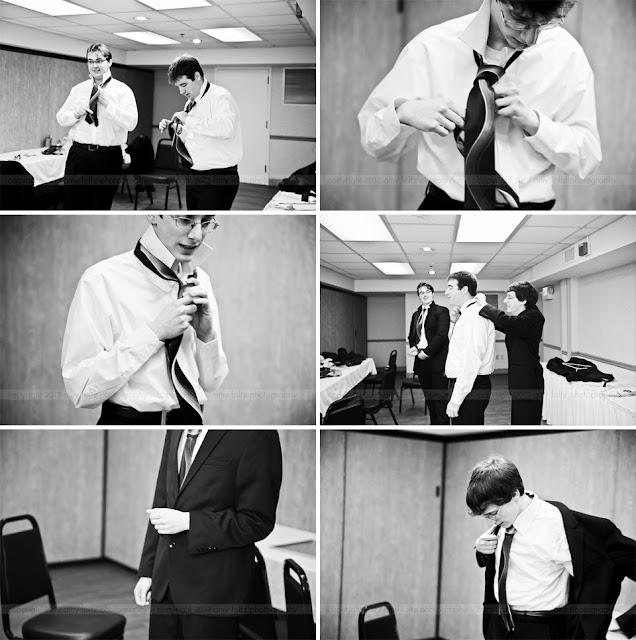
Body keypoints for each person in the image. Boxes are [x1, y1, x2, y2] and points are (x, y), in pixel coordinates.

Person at [358, 0, 601, 210]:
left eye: (544, 24)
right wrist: (402, 113)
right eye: (520, 21)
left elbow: (587, 158)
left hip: (530, 213)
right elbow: (375, 144)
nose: (530, 38)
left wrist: (534, 123)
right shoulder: (430, 48)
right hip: (444, 207)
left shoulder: (566, 55)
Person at [61, 215, 228, 425]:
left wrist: (206, 335)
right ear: (153, 215)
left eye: (206, 223)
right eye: (185, 220)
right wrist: (153, 334)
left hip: (190, 425)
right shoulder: (101, 280)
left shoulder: (200, 280)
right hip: (128, 424)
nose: (197, 235)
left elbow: (212, 383)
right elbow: (82, 391)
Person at [134, 430, 283, 640]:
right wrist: (147, 571)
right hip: (164, 585)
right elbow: (161, 504)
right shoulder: (176, 429)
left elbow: (257, 520)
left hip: (212, 593)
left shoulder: (255, 434)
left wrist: (189, 522)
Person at [467, 455, 635, 640]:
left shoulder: (561, 525)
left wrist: (627, 623)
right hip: (498, 627)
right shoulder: (503, 520)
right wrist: (481, 551)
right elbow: (501, 561)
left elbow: (612, 565)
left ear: (515, 495)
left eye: (493, 514)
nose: (492, 520)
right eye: (486, 517)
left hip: (541, 629)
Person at [56, 43, 138, 210]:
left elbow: (131, 123)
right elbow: (61, 118)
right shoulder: (78, 90)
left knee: (100, 206)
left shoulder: (123, 91)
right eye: (90, 61)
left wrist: (108, 105)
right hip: (79, 155)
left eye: (99, 60)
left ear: (109, 62)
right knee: (72, 205)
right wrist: (76, 114)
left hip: (107, 158)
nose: (94, 65)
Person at [159, 55, 242, 210]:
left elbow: (226, 129)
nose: (181, 91)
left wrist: (188, 120)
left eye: (184, 84)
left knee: (207, 226)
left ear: (196, 76)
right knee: (193, 224)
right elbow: (195, 136)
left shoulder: (220, 97)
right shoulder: (191, 103)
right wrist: (177, 128)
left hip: (218, 179)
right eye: (178, 86)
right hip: (194, 176)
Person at [476, 282, 545, 425]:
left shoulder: (534, 316)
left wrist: (485, 305)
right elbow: (502, 323)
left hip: (529, 382)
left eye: (509, 298)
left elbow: (508, 322)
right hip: (520, 381)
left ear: (523, 300)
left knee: (526, 423)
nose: (505, 301)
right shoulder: (521, 320)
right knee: (519, 421)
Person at [444, 271, 495, 424]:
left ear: (464, 289)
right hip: (468, 385)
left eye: (450, 287)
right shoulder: (466, 315)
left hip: (471, 386)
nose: (446, 292)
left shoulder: (473, 316)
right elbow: (457, 347)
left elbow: (471, 362)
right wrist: (453, 322)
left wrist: (456, 400)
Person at [407, 282, 450, 425]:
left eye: (427, 291)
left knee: (440, 400)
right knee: (430, 399)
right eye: (421, 292)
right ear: (418, 296)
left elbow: (441, 335)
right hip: (421, 363)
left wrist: (426, 352)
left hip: (437, 363)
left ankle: (444, 428)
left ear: (432, 293)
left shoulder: (441, 311)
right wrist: (414, 347)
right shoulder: (416, 314)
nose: (424, 294)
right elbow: (411, 336)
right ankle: (434, 427)